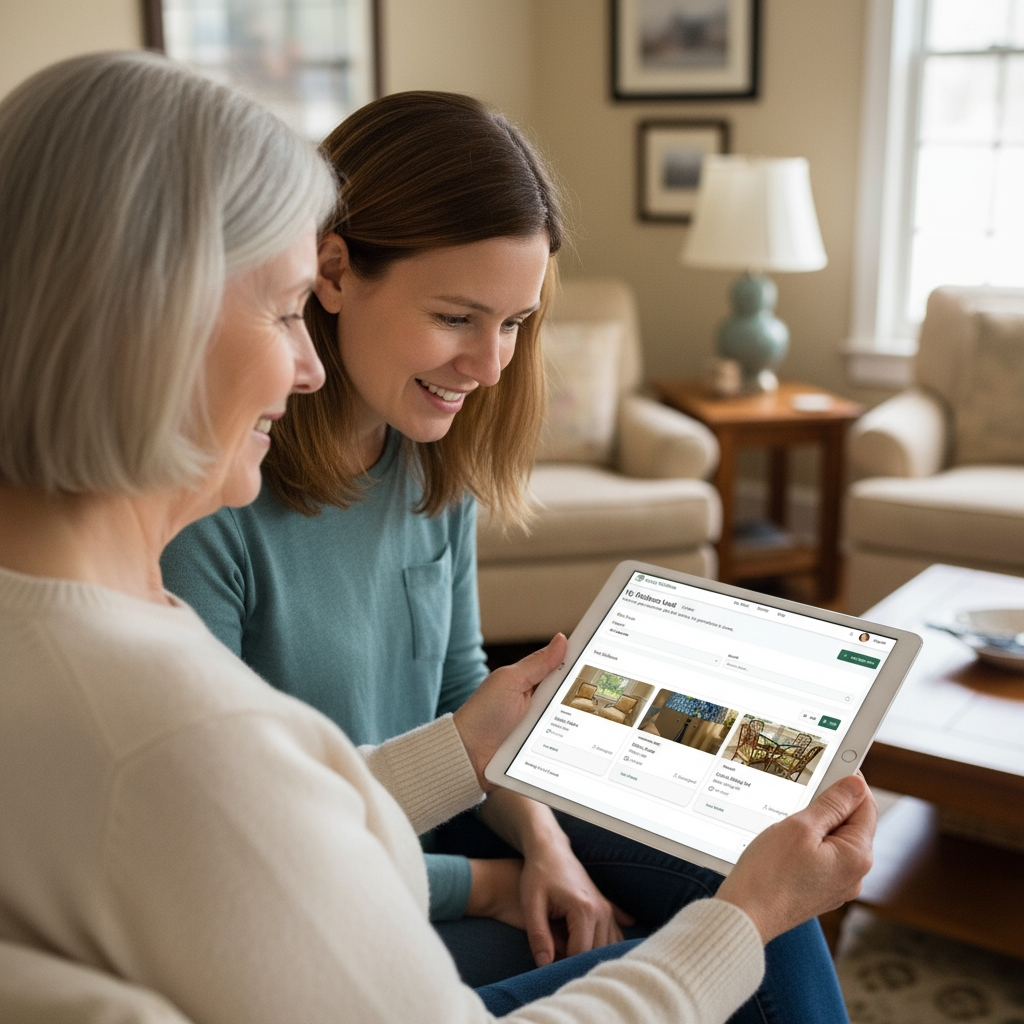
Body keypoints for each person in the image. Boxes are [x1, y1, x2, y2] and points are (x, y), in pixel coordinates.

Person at [0, 52, 876, 1024]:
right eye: (284, 309)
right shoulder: (188, 684)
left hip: (362, 832)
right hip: (365, 878)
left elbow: (296, 797)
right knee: (716, 930)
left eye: (515, 325)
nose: (304, 368)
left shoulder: (107, 637)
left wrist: (502, 790)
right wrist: (739, 920)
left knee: (703, 862)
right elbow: (250, 807)